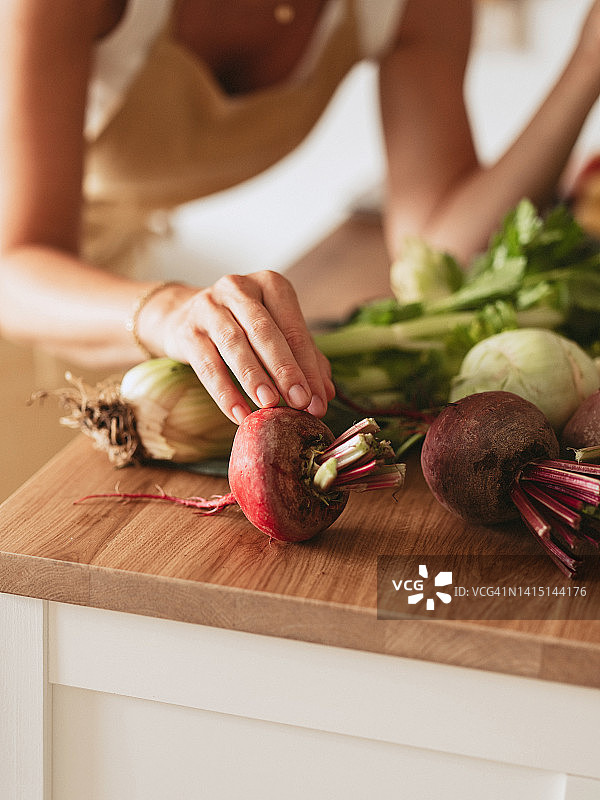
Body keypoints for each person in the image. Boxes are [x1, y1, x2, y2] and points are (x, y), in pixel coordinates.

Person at [1, 0, 600, 426]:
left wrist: (586, 66)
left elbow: (442, 249)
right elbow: (13, 265)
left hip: (119, 306)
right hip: (43, 296)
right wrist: (165, 309)